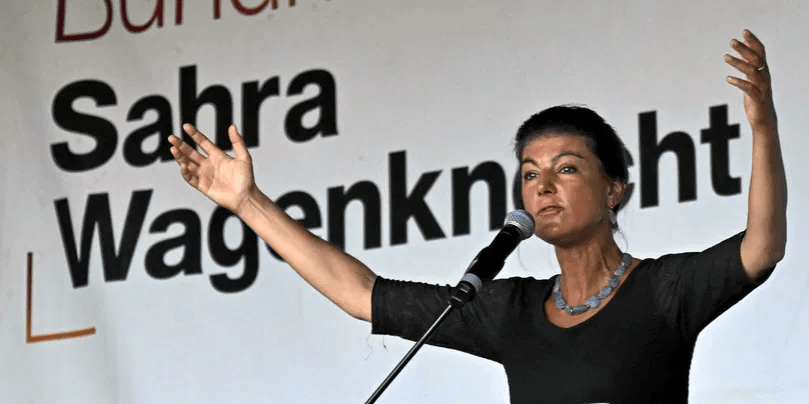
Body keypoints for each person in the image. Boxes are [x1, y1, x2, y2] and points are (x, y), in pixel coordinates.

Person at [168, 29, 786, 403]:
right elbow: (361, 294)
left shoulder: (665, 291)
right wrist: (248, 202)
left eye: (567, 168)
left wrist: (762, 126)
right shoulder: (508, 309)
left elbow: (761, 248)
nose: (544, 186)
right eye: (530, 174)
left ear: (613, 190)